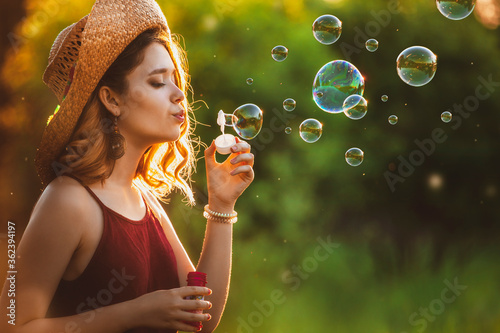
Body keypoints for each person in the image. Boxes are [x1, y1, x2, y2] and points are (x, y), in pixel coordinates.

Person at [0, 0, 254, 332]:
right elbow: (12, 325)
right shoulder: (68, 201)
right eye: (158, 82)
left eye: (176, 80)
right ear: (112, 99)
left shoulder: (145, 201)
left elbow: (200, 316)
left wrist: (221, 206)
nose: (179, 94)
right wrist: (133, 313)